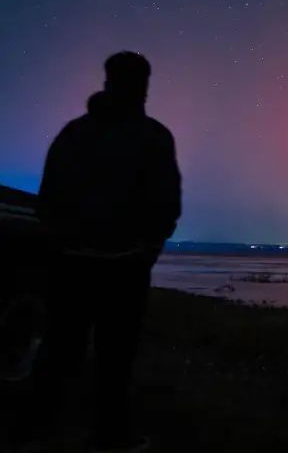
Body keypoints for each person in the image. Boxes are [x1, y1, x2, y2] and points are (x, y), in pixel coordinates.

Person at [29, 51, 181, 452]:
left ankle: (43, 430)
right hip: (113, 267)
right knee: (106, 358)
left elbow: (47, 202)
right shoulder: (152, 137)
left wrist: (62, 244)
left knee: (66, 352)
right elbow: (167, 204)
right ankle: (104, 436)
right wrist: (146, 250)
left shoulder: (75, 133)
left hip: (87, 265)